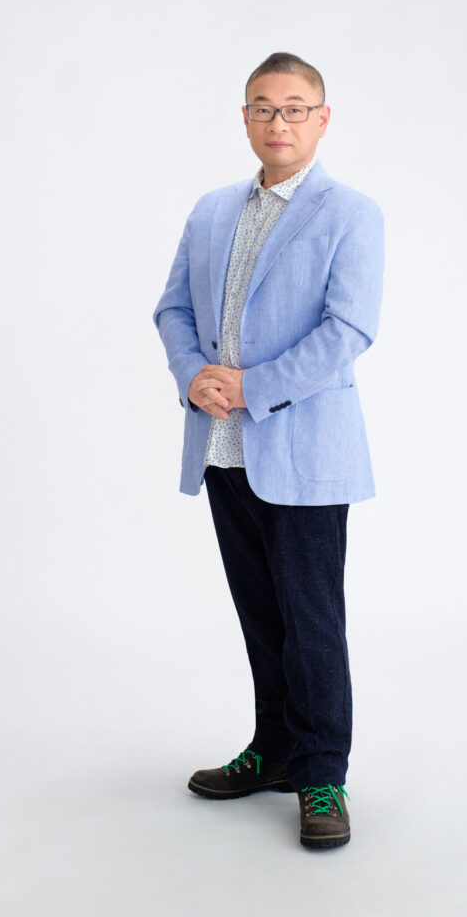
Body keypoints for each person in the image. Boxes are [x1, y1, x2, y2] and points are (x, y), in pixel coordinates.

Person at [152, 52, 384, 850]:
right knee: (261, 615)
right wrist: (193, 375)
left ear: (321, 119)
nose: (277, 121)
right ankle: (274, 749)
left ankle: (321, 773)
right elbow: (173, 308)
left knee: (310, 621)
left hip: (305, 450)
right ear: (245, 117)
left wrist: (253, 386)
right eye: (262, 107)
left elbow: (348, 329)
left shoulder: (350, 213)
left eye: (293, 108)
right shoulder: (212, 209)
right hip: (222, 446)